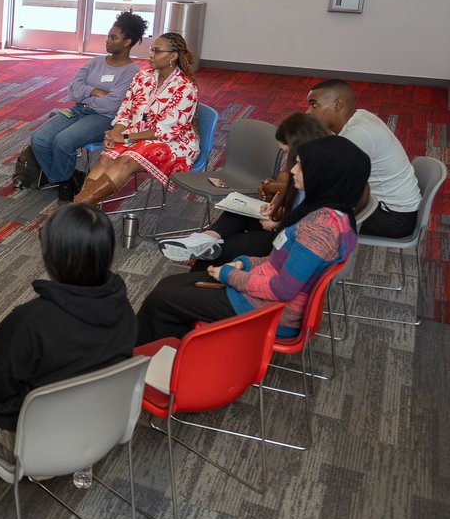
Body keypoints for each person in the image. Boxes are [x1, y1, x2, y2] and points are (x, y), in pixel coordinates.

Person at [0, 203, 136, 501]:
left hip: (35, 441)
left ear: (53, 257)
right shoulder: (124, 308)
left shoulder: (31, 321)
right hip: (100, 426)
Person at [137, 135, 369, 343]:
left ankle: (141, 363)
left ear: (324, 175)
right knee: (170, 286)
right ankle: (173, 352)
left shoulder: (320, 229)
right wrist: (245, 263)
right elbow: (278, 265)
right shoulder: (328, 214)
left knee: (163, 300)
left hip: (269, 310)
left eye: (301, 166)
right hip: (263, 295)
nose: (293, 171)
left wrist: (231, 274)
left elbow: (282, 290)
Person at [159, 113, 330, 264]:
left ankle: (206, 249)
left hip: (285, 242)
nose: (289, 162)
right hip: (281, 225)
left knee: (221, 251)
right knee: (238, 208)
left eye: (287, 153)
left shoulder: (316, 180)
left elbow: (308, 228)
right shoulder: (308, 169)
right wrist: (277, 206)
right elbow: (296, 203)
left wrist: (275, 223)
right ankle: (205, 238)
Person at [74, 32, 200, 206]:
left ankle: (73, 210)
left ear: (173, 56)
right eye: (151, 50)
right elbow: (125, 110)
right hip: (137, 135)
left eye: (157, 51)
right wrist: (115, 133)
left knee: (126, 160)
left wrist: (125, 137)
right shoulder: (143, 77)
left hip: (174, 144)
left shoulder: (185, 88)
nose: (151, 55)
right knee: (105, 158)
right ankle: (80, 209)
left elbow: (166, 132)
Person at [30, 12, 147, 200]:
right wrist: (95, 92)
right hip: (78, 110)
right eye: (108, 36)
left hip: (104, 119)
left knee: (63, 141)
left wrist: (86, 95)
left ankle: (64, 181)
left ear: (127, 42)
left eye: (113, 37)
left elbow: (110, 105)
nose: (107, 41)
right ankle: (66, 178)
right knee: (39, 138)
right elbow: (72, 89)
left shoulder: (131, 72)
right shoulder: (96, 61)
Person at [306, 79, 421, 238]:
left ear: (338, 105)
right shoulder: (360, 115)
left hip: (394, 218)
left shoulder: (357, 135)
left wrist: (279, 188)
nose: (308, 111)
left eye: (314, 105)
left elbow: (324, 183)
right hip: (389, 205)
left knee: (310, 214)